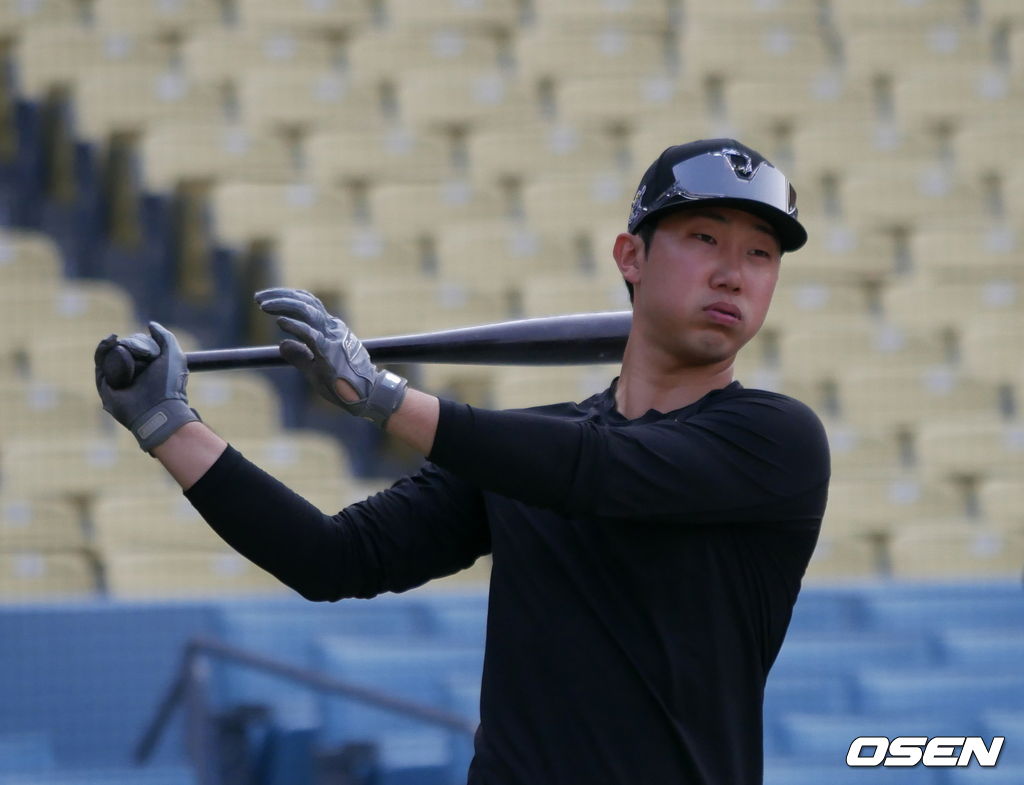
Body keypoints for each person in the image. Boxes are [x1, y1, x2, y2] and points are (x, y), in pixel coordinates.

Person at [95, 138, 831, 785]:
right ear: (630, 257)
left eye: (760, 254)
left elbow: (599, 471)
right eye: (705, 237)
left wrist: (384, 398)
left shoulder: (775, 440)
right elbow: (336, 557)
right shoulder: (527, 455)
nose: (735, 272)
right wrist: (169, 425)